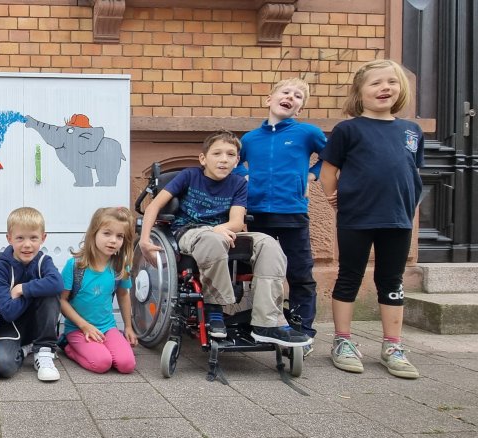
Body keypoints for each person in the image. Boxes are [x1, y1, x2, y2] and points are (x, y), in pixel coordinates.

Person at [139, 131, 312, 348]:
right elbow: (153, 206)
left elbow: (237, 222)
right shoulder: (189, 176)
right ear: (203, 158)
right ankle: (214, 309)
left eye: (231, 155)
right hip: (190, 232)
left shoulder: (238, 183)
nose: (224, 159)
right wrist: (145, 240)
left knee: (268, 244)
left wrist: (220, 228)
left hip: (225, 232)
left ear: (237, 160)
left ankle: (267, 323)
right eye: (217, 153)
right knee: (212, 240)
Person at [320, 59, 423, 380]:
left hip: (398, 218)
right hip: (356, 217)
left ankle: (393, 345)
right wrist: (335, 198)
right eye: (376, 83)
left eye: (391, 82)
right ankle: (343, 341)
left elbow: (412, 171)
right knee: (349, 276)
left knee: (391, 281)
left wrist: (408, 203)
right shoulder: (348, 130)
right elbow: (328, 171)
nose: (385, 88)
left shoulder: (412, 131)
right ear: (359, 92)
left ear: (400, 89)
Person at [234, 77, 327, 356]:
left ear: (299, 108)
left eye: (298, 96)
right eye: (286, 92)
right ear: (269, 99)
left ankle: (303, 332)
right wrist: (245, 176)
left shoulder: (307, 133)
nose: (291, 97)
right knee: (258, 274)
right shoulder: (249, 139)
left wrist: (312, 175)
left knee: (299, 274)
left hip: (292, 214)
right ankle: (263, 322)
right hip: (257, 216)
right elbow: (234, 163)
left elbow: (333, 157)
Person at [59, 207, 138, 374]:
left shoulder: (120, 266)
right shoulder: (75, 266)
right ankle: (67, 346)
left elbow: (123, 295)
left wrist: (129, 327)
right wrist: (84, 326)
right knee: (102, 363)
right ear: (94, 233)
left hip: (107, 327)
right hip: (78, 329)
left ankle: (102, 346)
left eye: (119, 236)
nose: (113, 241)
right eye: (107, 233)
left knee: (127, 365)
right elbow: (61, 300)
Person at [0, 207, 63, 381]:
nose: (27, 244)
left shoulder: (43, 262)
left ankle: (44, 351)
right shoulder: (0, 266)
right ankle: (27, 349)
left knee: (50, 291)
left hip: (39, 326)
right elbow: (8, 312)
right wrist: (34, 293)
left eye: (33, 238)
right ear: (9, 238)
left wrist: (22, 289)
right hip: (11, 326)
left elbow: (58, 284)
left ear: (43, 238)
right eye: (20, 238)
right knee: (3, 366)